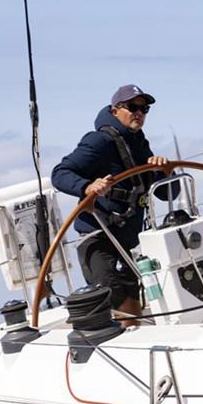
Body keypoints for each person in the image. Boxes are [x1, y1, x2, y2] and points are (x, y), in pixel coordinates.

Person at [51, 84, 176, 326]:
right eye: (133, 107)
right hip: (100, 241)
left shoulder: (140, 144)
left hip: (129, 244)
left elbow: (170, 193)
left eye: (144, 108)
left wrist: (164, 172)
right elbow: (60, 173)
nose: (139, 112)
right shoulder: (99, 141)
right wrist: (87, 187)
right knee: (124, 313)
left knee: (135, 315)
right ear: (116, 110)